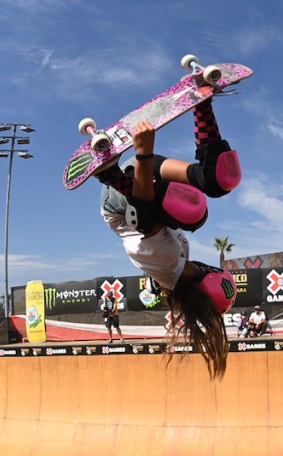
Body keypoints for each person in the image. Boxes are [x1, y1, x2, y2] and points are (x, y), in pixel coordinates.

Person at [97, 102, 241, 380]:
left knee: (188, 212)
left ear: (207, 276)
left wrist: (143, 152)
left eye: (209, 268)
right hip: (145, 179)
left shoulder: (166, 262)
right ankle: (202, 104)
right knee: (218, 181)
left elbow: (145, 211)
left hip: (121, 196)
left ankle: (108, 173)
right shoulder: (178, 263)